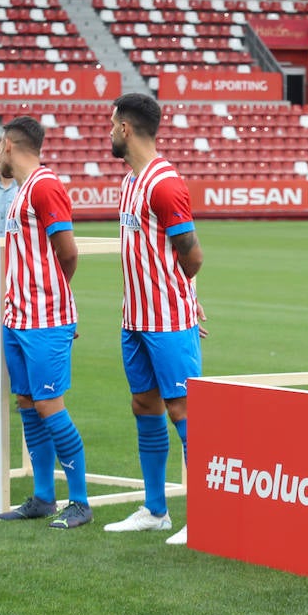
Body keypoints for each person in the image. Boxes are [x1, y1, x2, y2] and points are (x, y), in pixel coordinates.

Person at [103, 93, 204, 544]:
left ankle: (207, 515)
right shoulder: (130, 182)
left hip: (166, 320)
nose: (108, 132)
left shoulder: (165, 184)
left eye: (111, 124)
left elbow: (193, 255)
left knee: (186, 411)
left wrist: (183, 300)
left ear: (125, 128)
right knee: (144, 405)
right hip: (135, 319)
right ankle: (156, 509)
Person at [0, 116, 92, 529]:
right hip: (18, 317)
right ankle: (43, 498)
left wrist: (53, 300)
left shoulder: (45, 186)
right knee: (28, 406)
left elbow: (67, 253)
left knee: (50, 405)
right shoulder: (21, 193)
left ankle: (81, 501)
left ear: (10, 146)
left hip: (42, 318)